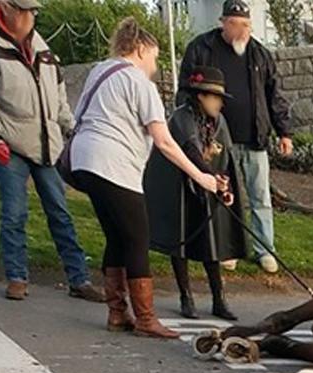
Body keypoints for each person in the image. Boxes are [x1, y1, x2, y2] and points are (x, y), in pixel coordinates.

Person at [70, 18, 220, 339]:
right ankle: (146, 318)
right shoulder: (140, 83)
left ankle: (117, 313)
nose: (155, 64)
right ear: (139, 49)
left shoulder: (101, 71)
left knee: (117, 236)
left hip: (84, 160)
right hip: (115, 165)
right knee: (138, 238)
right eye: (154, 56)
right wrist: (202, 177)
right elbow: (164, 141)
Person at [0, 0, 104, 302]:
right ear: (5, 7)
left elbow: (57, 94)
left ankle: (78, 278)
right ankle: (17, 276)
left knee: (60, 212)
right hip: (11, 144)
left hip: (48, 145)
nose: (31, 15)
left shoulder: (43, 48)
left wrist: (70, 127)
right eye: (25, 10)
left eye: (34, 11)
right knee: (14, 213)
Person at [179, 0, 292, 275]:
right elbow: (186, 91)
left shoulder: (260, 54)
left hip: (254, 138)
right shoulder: (201, 48)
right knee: (224, 195)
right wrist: (191, 131)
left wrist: (284, 132)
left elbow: (273, 95)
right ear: (223, 23)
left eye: (246, 25)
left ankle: (265, 249)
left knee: (260, 197)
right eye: (236, 24)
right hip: (215, 140)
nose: (242, 30)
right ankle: (227, 249)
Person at [146, 66, 245, 321]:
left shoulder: (218, 122)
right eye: (216, 97)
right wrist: (208, 178)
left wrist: (226, 186)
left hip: (207, 186)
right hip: (179, 186)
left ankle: (218, 299)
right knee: (181, 239)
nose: (220, 103)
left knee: (211, 242)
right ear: (201, 95)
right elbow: (191, 150)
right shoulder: (181, 117)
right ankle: (185, 297)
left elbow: (226, 158)